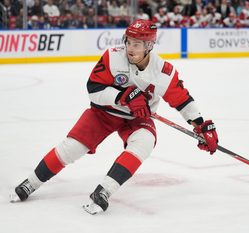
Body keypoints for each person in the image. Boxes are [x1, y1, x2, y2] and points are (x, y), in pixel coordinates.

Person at [10, 19, 219, 215]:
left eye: (137, 44)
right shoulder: (112, 56)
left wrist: (200, 125)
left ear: (149, 46)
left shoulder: (164, 72)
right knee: (72, 147)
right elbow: (93, 89)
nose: (130, 48)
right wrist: (122, 96)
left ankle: (104, 191)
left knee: (145, 142)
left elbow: (182, 99)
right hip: (103, 113)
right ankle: (31, 182)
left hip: (137, 119)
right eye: (129, 42)